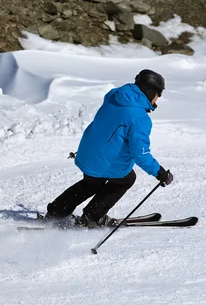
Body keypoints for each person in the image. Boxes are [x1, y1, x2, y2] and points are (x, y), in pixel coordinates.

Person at [45, 69, 174, 228]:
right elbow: (140, 154)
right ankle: (93, 216)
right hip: (104, 163)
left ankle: (56, 211)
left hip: (87, 154)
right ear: (150, 91)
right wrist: (160, 173)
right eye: (158, 94)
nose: (158, 99)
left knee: (92, 182)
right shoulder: (139, 118)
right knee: (126, 179)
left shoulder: (114, 97)